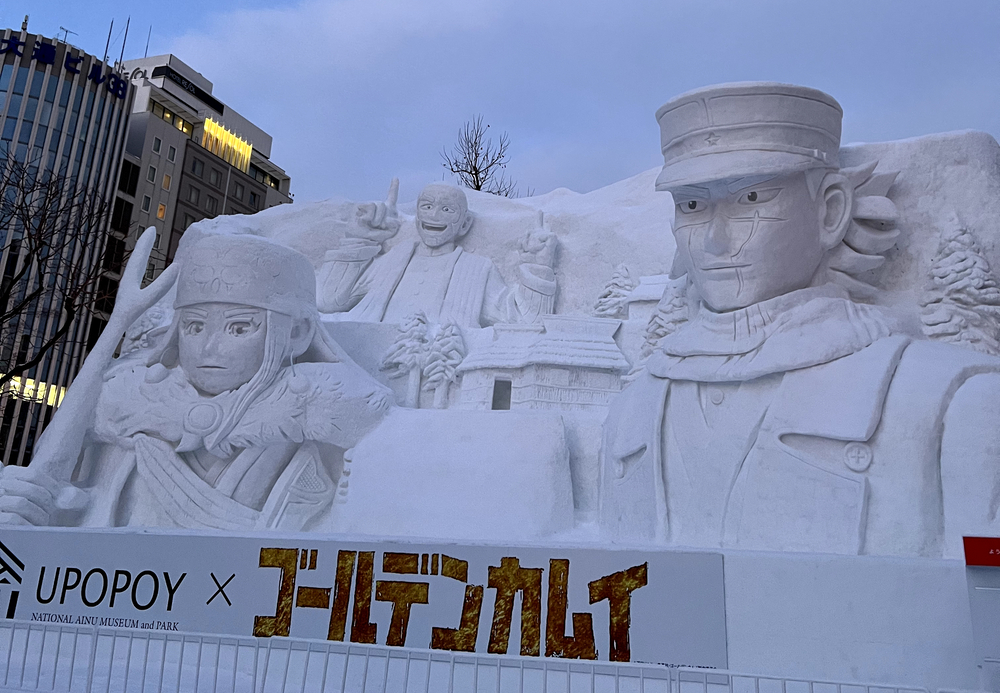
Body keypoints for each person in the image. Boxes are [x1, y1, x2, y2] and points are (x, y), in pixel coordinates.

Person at [600, 81, 1000, 558]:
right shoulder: (633, 410)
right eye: (692, 205)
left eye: (751, 200)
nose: (714, 241)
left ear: (831, 212)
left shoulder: (952, 401)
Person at [0, 230, 391, 531]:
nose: (210, 348)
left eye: (240, 328)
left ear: (297, 333)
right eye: (194, 326)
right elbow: (58, 493)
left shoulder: (322, 410)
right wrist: (26, 500)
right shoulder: (132, 406)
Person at [316, 181, 557, 326]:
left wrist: (538, 266)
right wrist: (361, 236)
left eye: (447, 209)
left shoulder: (476, 270)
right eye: (427, 206)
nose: (434, 215)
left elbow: (523, 320)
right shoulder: (392, 261)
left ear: (464, 224)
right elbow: (328, 301)